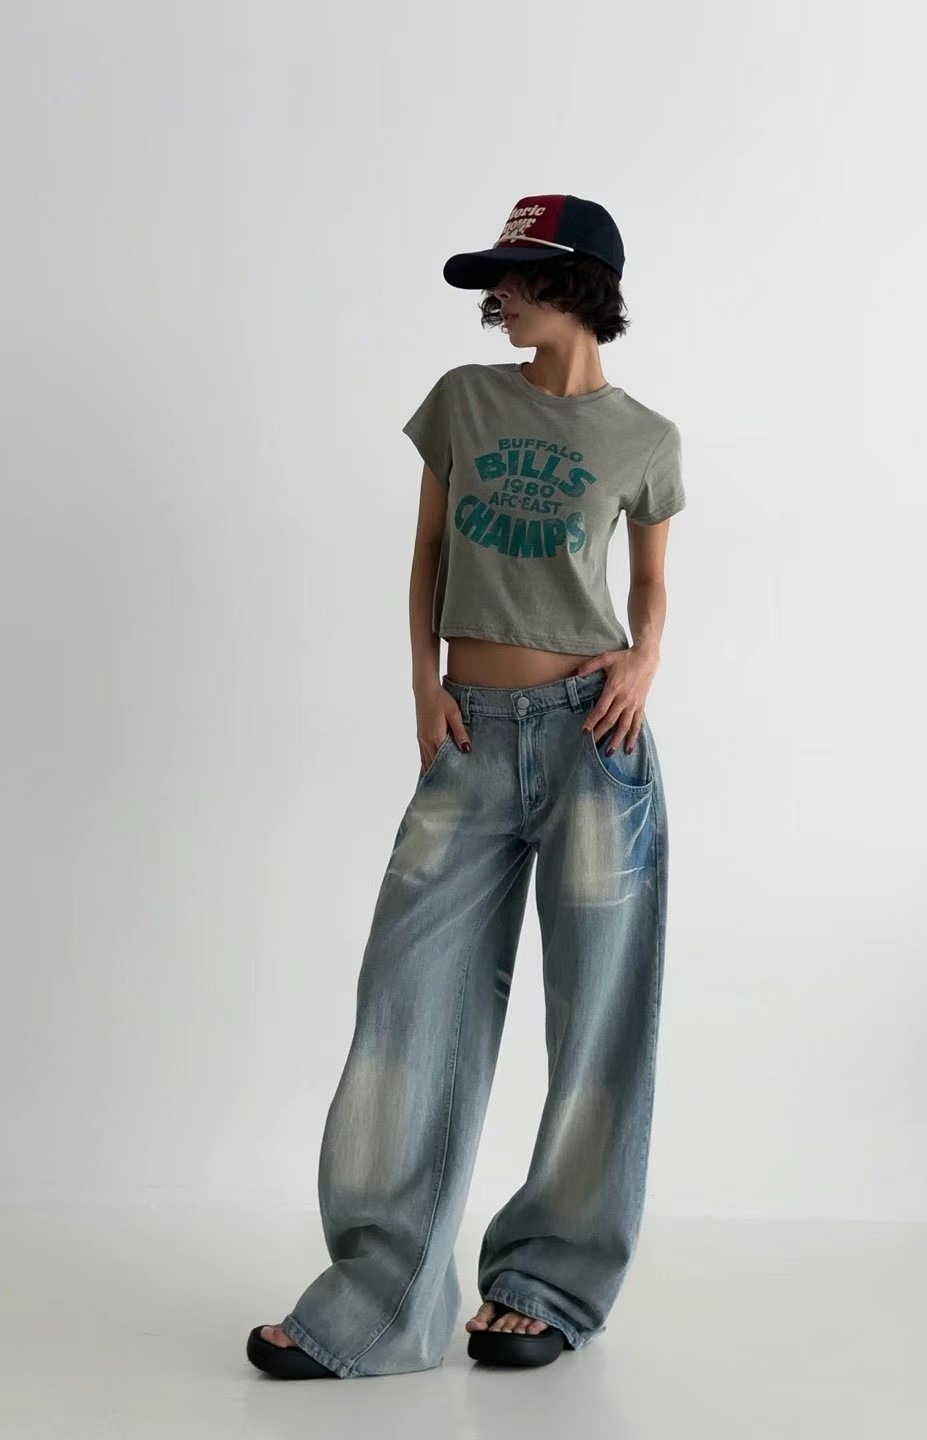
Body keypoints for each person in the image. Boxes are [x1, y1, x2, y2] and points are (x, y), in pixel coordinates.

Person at [246, 193, 687, 1380]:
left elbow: (650, 585)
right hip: (469, 735)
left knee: (599, 1023)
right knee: (407, 1006)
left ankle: (549, 1288)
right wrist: (422, 683)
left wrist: (645, 660)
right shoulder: (463, 401)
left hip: (595, 739)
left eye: (520, 277)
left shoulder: (645, 438)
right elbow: (427, 553)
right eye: (497, 280)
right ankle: (379, 1306)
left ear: (582, 287)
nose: (500, 298)